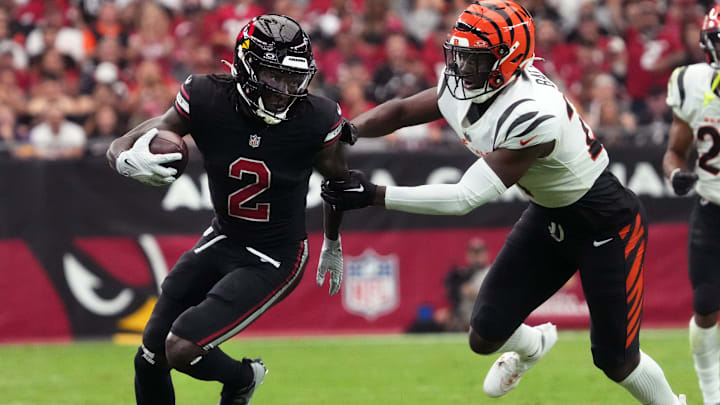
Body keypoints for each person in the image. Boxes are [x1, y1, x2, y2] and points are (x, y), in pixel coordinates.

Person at [324, 1, 686, 403]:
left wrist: (373, 194)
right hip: (550, 214)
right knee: (484, 333)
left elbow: (464, 198)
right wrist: (348, 131)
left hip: (606, 223)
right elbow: (404, 110)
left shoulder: (532, 113)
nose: (460, 68)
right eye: (458, 55)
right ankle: (533, 346)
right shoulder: (475, 84)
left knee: (616, 360)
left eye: (473, 59)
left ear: (507, 60)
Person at [107, 15, 350, 405]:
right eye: (274, 77)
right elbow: (154, 130)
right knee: (150, 357)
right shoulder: (206, 96)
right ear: (247, 67)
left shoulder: (315, 118)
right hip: (224, 236)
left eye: (293, 79)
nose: (284, 91)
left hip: (275, 255)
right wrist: (119, 154)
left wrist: (333, 240)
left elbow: (337, 180)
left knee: (182, 346)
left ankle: (242, 378)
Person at [664, 6, 720, 405]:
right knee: (705, 305)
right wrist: (674, 174)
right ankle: (712, 394)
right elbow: (674, 151)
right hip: (712, 207)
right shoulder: (691, 83)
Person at [444, 237, 489, 331]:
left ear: (486, 254)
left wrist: (476, 294)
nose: (476, 256)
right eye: (473, 252)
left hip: (483, 324)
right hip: (462, 324)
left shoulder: (491, 273)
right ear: (468, 254)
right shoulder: (461, 274)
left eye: (479, 252)